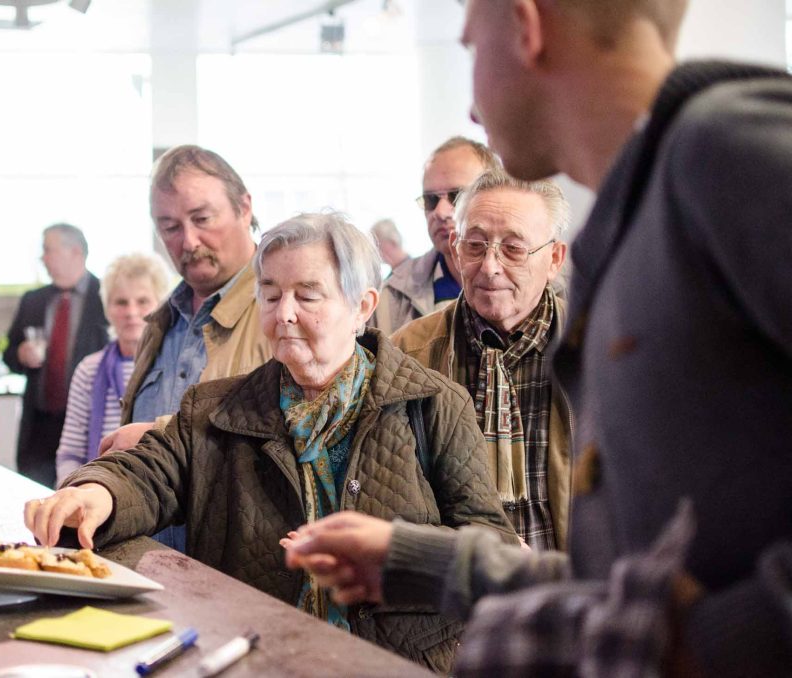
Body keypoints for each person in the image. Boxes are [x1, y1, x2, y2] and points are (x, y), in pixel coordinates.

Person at [287, 0, 792, 675]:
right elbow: (617, 589)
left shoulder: (722, 149)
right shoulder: (636, 222)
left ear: (526, 28)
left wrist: (711, 643)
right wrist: (416, 559)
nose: (470, 108)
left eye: (470, 48)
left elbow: (674, 628)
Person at [25, 213, 516, 673]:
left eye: (307, 295)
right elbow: (148, 471)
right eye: (270, 293)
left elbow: (488, 543)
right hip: (256, 658)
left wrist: (396, 556)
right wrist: (94, 492)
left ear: (362, 306)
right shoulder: (216, 408)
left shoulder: (434, 405)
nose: (283, 314)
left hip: (400, 662)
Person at [96, 145, 274, 552]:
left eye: (202, 219)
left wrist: (160, 436)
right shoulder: (160, 323)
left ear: (244, 207)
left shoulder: (279, 311)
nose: (189, 241)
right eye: (170, 227)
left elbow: (290, 443)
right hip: (150, 565)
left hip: (238, 573)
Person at [392, 170, 571, 551]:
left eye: (513, 249)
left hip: (576, 593)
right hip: (452, 592)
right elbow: (392, 497)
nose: (490, 267)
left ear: (554, 258)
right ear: (456, 249)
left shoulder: (599, 350)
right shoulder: (407, 355)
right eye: (475, 245)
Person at [4, 224, 108, 487]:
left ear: (74, 252)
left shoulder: (107, 297)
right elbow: (9, 355)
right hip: (38, 428)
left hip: (87, 426)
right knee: (33, 501)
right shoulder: (33, 300)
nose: (43, 258)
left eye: (47, 250)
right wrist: (20, 354)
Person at [54, 253, 171, 486]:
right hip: (96, 492)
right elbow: (70, 453)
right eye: (121, 302)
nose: (131, 312)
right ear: (107, 308)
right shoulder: (89, 369)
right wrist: (75, 493)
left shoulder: (176, 366)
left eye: (143, 301)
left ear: (161, 305)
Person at [372, 137, 498, 335]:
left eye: (457, 196)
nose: (440, 212)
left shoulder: (553, 289)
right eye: (431, 199)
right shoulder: (392, 297)